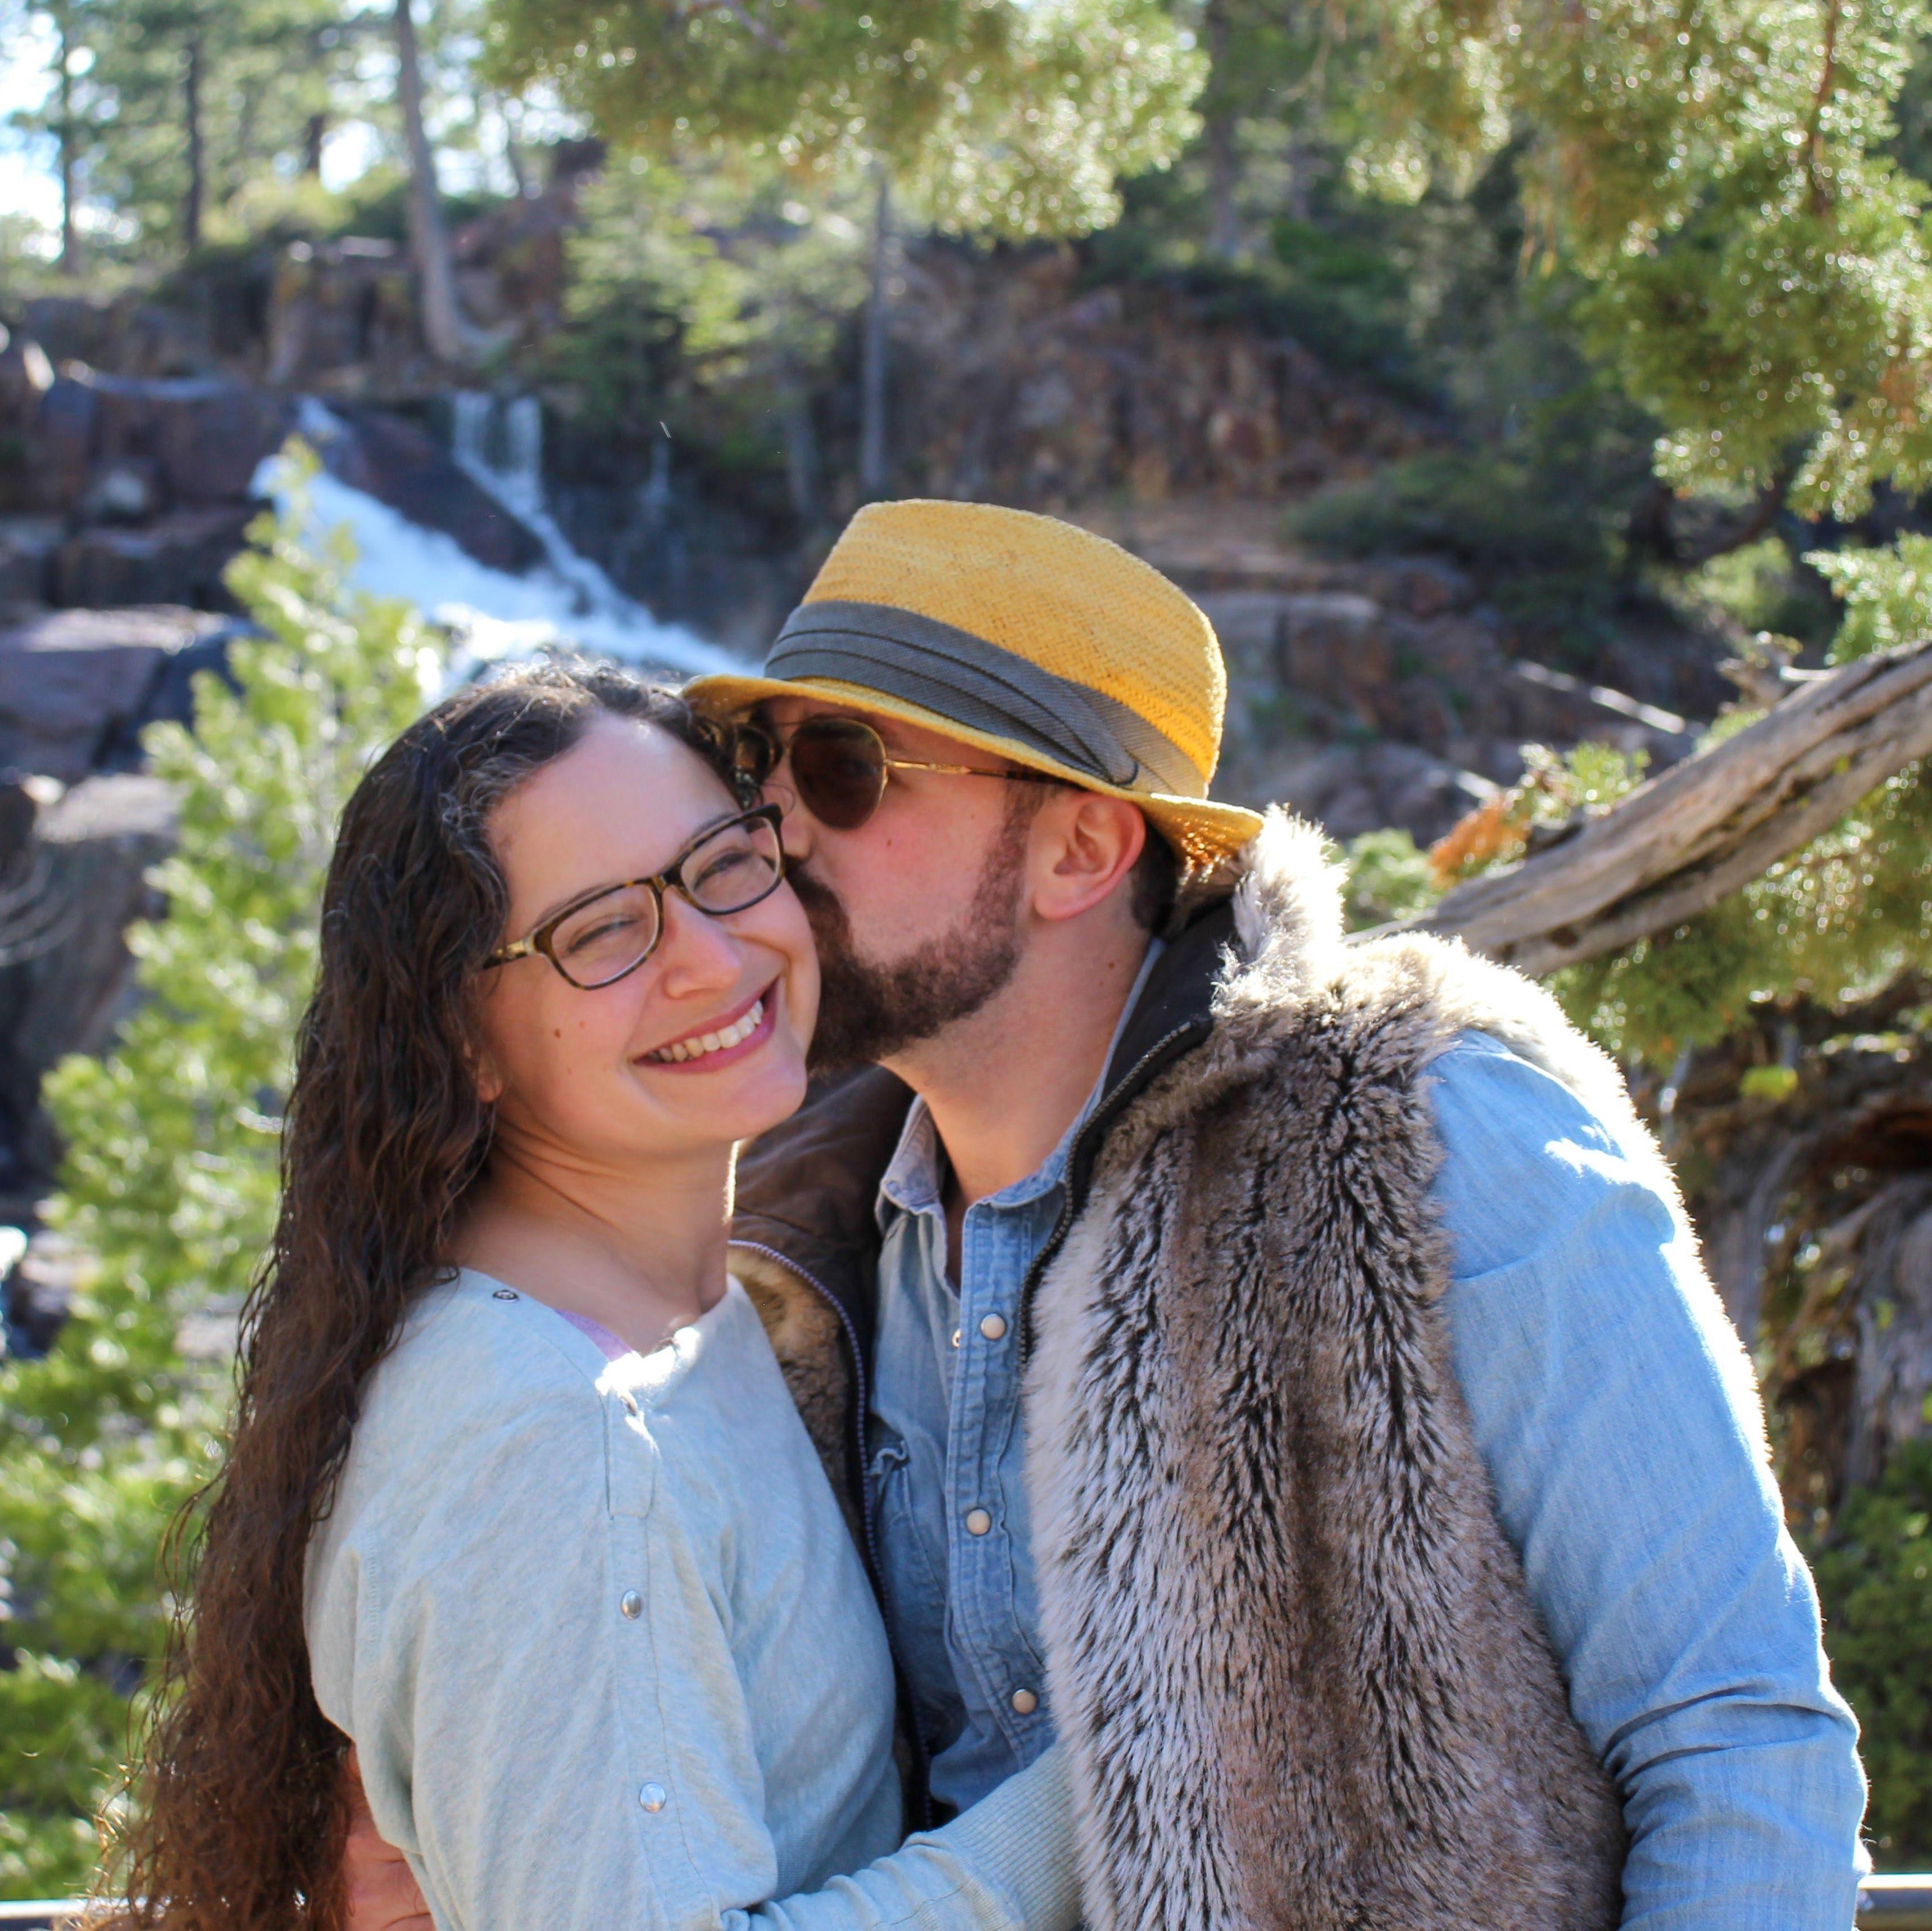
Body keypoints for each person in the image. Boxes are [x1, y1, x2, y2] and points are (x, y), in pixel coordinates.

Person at [346, 503, 1869, 1930]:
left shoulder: (1426, 1131)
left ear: (1082, 848)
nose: (775, 836)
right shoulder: (792, 1251)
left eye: (848, 770)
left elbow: (1738, 1738)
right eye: (758, 773)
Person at [107, 664, 1081, 1931]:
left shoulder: (704, 1321)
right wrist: (1113, 1772)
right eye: (604, 931)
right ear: (462, 1039)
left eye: (724, 865)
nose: (711, 958)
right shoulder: (557, 1434)